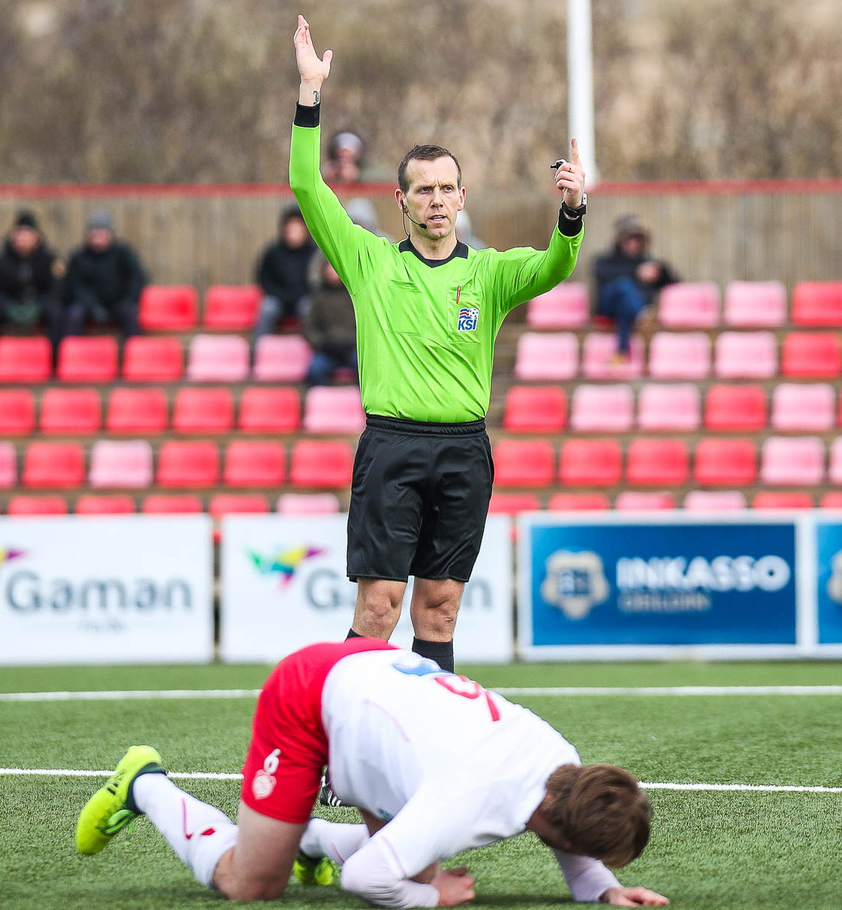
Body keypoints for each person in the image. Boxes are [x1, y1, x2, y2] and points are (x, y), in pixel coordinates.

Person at [290, 16, 587, 673]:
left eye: (446, 188)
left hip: (463, 452)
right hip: (391, 448)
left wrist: (571, 213)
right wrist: (310, 94)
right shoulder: (369, 261)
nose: (436, 199)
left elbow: (555, 266)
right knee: (379, 608)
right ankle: (348, 731)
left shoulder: (491, 273)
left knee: (441, 609)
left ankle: (430, 730)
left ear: (461, 197)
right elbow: (308, 188)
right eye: (423, 189)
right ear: (401, 200)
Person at [76, 638, 669, 908]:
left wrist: (606, 890)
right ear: (563, 832)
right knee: (253, 884)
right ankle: (145, 784)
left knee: (410, 862)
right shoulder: (465, 802)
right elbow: (362, 879)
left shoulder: (562, 765)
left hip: (381, 679)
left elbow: (569, 831)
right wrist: (430, 897)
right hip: (311, 696)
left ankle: (306, 840)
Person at [0, 210, 64, 363]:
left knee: (56, 315)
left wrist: (39, 305)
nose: (23, 239)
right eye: (19, 234)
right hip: (11, 304)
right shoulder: (1, 260)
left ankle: (55, 363)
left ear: (37, 237)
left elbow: (55, 289)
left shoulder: (49, 259)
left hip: (39, 304)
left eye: (27, 235)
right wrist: (9, 306)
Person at [593, 214, 678, 362]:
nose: (634, 243)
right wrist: (636, 273)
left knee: (624, 306)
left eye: (638, 239)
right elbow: (603, 275)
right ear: (620, 241)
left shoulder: (647, 262)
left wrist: (659, 272)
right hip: (607, 307)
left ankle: (620, 353)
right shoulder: (606, 261)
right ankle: (642, 314)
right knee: (623, 285)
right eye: (629, 238)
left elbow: (674, 282)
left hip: (625, 311)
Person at [62, 211, 147, 339]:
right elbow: (74, 285)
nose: (98, 237)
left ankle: (134, 350)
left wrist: (128, 300)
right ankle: (71, 350)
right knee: (74, 314)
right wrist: (92, 306)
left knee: (130, 313)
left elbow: (138, 278)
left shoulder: (123, 254)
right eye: (95, 233)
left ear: (110, 235)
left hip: (118, 303)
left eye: (102, 233)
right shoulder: (78, 257)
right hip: (88, 305)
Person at [253, 204, 317, 344]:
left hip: (303, 299)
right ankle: (257, 349)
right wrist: (281, 295)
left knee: (308, 309)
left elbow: (316, 282)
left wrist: (299, 294)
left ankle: (313, 350)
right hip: (278, 299)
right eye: (290, 225)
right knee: (267, 308)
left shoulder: (313, 254)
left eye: (298, 226)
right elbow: (264, 280)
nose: (293, 230)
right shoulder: (272, 252)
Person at [304, 254, 358, 386]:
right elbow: (309, 327)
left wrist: (352, 342)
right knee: (315, 370)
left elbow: (365, 325)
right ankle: (323, 398)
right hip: (327, 350)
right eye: (329, 269)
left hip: (352, 348)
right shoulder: (318, 297)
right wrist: (323, 343)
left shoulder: (355, 296)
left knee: (368, 369)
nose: (332, 273)